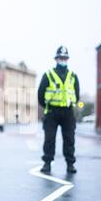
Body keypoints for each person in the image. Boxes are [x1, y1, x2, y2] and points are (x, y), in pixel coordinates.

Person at [38, 46, 80, 174]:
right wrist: (47, 107)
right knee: (49, 138)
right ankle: (47, 163)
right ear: (56, 59)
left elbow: (77, 95)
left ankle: (70, 164)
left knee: (69, 139)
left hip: (67, 112)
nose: (63, 60)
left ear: (67, 59)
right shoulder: (48, 75)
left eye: (65, 58)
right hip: (52, 112)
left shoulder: (73, 76)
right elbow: (40, 94)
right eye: (60, 58)